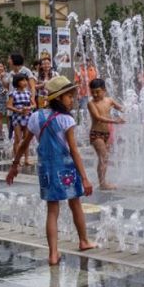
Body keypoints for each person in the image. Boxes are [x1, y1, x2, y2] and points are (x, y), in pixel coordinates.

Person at [7, 76, 95, 265]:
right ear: (58, 98)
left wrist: (14, 165)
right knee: (75, 204)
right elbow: (74, 151)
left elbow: (24, 144)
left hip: (46, 168)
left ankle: (53, 253)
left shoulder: (36, 116)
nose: (72, 100)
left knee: (52, 211)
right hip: (66, 168)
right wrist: (85, 178)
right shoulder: (66, 120)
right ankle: (84, 240)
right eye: (69, 96)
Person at [87, 78, 125, 190]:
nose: (95, 94)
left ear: (104, 90)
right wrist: (115, 121)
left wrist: (127, 110)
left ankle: (103, 181)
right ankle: (103, 184)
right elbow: (98, 117)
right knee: (103, 156)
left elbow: (121, 108)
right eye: (92, 91)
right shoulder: (91, 103)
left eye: (97, 91)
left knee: (105, 158)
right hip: (96, 134)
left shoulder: (109, 101)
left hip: (106, 134)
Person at [7, 74, 33, 166]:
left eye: (26, 80)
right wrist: (18, 110)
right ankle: (17, 159)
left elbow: (34, 104)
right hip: (17, 117)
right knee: (18, 138)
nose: (25, 82)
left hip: (27, 116)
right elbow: (9, 105)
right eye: (22, 81)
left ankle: (26, 158)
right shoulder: (13, 93)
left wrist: (29, 108)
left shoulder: (28, 93)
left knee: (26, 139)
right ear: (17, 82)